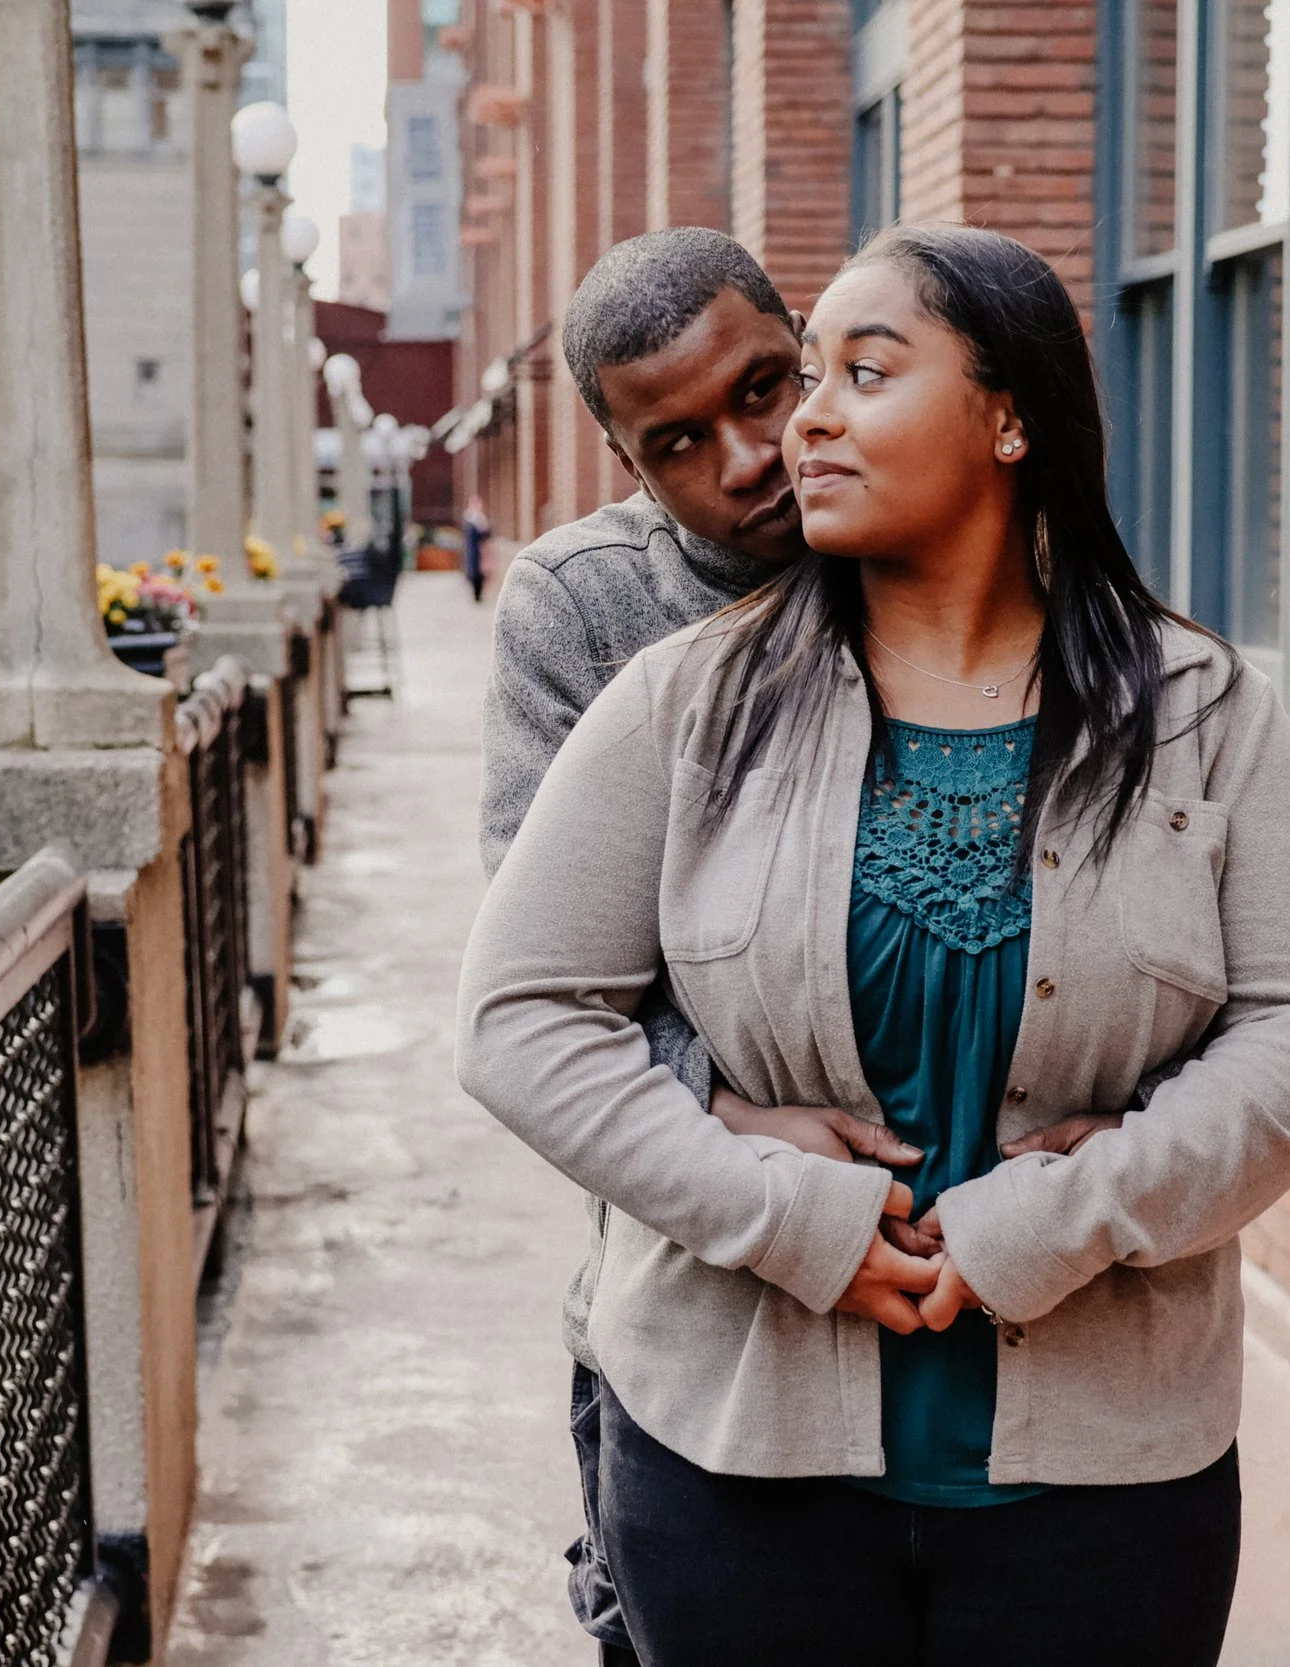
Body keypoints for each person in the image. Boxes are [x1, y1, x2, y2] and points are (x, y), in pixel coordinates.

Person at [457, 223, 1290, 1666]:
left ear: (1008, 413)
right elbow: (523, 1015)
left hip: (1107, 1481)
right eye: (797, 382)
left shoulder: (1204, 711)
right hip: (734, 1459)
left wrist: (1074, 1210)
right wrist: (784, 1203)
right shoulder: (670, 695)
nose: (790, 433)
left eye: (839, 376)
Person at [478, 226, 916, 1667]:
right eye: (677, 441)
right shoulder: (584, 609)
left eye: (761, 389)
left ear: (808, 348)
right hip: (694, 1283)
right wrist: (723, 1107)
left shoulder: (946, 542)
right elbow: (541, 979)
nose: (748, 455)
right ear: (626, 461)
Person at [460, 494, 491, 603]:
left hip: (481, 549)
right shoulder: (470, 519)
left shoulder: (481, 519)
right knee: (475, 571)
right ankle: (476, 594)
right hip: (473, 550)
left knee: (481, 572)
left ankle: (479, 593)